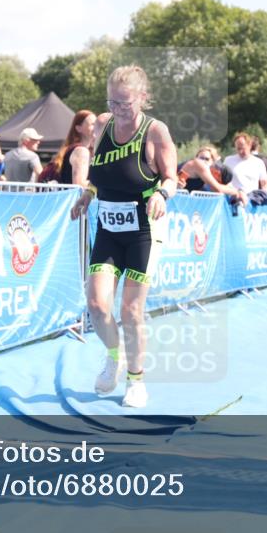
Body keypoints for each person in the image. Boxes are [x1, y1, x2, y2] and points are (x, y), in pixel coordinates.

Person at [70, 65, 178, 408]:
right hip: (109, 227)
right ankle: (113, 357)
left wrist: (162, 195)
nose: (117, 110)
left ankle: (136, 380)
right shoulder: (101, 125)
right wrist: (87, 194)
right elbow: (99, 175)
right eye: (112, 102)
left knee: (131, 310)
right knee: (96, 305)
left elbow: (172, 178)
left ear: (142, 98)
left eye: (125, 103)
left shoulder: (155, 131)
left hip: (144, 229)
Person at [44, 110, 95, 185]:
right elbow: (79, 184)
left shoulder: (71, 149)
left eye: (96, 124)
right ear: (78, 128)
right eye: (92, 124)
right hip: (73, 196)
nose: (96, 127)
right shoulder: (81, 151)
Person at [177, 145, 243, 203]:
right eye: (201, 158)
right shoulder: (199, 165)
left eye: (206, 159)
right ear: (196, 158)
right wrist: (236, 192)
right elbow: (218, 189)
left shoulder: (210, 172)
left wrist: (240, 192)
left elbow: (227, 186)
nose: (203, 161)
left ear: (213, 162)